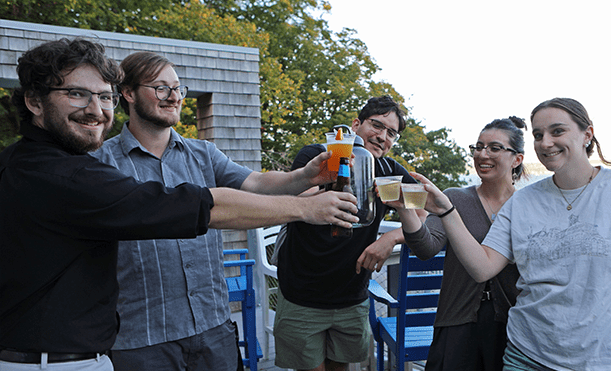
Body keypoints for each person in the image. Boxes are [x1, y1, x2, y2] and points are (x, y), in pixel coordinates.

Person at [0, 38, 358, 371]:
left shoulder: (201, 152)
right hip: (139, 340)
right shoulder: (90, 165)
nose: (173, 96)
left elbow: (255, 183)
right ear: (129, 94)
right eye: (160, 88)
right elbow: (204, 207)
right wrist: (306, 209)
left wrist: (304, 178)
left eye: (177, 88)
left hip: (212, 325)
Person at [412, 98, 611, 371]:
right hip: (528, 356)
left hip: (609, 361)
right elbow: (482, 267)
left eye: (557, 131)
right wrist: (447, 210)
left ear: (587, 134)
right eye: (538, 135)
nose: (545, 143)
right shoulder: (522, 203)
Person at [273, 96, 427, 371]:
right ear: (356, 125)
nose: (382, 137)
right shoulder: (318, 157)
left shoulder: (389, 172)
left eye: (391, 133)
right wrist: (328, 186)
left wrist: (389, 239)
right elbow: (292, 194)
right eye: (376, 126)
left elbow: (424, 213)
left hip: (352, 296)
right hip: (301, 294)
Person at [385, 117, 526, 370]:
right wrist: (405, 210)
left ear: (517, 159)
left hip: (513, 325)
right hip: (457, 321)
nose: (483, 154)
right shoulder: (455, 198)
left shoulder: (529, 206)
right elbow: (426, 248)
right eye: (478, 147)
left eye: (494, 148)